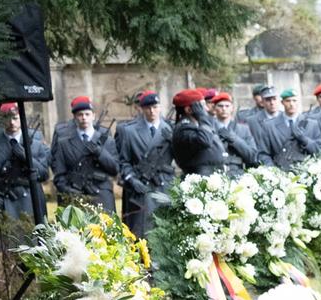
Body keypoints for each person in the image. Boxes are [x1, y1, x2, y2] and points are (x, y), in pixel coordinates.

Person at [0, 102, 51, 245]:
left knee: (34, 248)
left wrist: (26, 158)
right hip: (2, 201)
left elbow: (44, 174)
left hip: (29, 200)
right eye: (7, 118)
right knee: (6, 249)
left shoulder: (35, 141)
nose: (11, 122)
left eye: (15, 118)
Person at [115, 91, 175, 235]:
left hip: (163, 186)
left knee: (165, 231)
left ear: (160, 107)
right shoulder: (129, 131)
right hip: (140, 188)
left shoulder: (171, 129)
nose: (152, 111)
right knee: (140, 234)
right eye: (147, 108)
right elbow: (123, 161)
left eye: (155, 107)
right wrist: (132, 180)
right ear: (141, 109)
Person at [50, 96, 120, 212]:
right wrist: (70, 192)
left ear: (93, 116)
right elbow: (59, 176)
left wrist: (99, 152)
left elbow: (115, 169)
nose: (84, 118)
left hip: (101, 197)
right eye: (80, 115)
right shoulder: (64, 144)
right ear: (75, 118)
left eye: (87, 114)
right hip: (75, 199)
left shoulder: (107, 141)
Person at [170, 90, 226, 176]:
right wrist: (202, 116)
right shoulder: (184, 128)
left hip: (211, 175)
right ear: (189, 110)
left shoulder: (197, 125)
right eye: (202, 106)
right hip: (198, 179)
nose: (206, 109)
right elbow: (205, 140)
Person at [210, 93, 267, 173]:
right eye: (220, 106)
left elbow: (252, 156)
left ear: (232, 108)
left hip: (237, 172)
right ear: (214, 108)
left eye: (227, 106)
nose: (224, 109)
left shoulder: (243, 129)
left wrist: (234, 139)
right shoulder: (209, 129)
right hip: (214, 172)